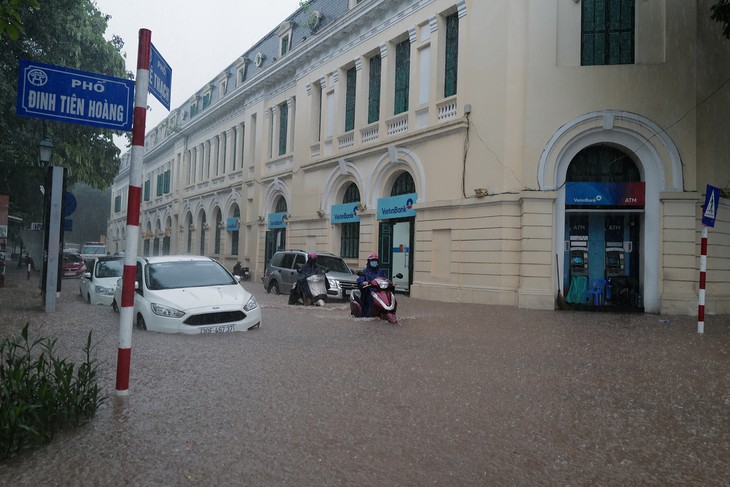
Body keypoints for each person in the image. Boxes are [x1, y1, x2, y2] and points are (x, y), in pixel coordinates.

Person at [357, 252, 387, 317]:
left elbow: (385, 279)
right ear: (369, 261)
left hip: (380, 293)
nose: (374, 262)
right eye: (372, 260)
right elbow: (360, 281)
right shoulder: (365, 271)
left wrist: (391, 282)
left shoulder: (381, 271)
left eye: (375, 260)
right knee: (369, 302)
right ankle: (367, 315)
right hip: (369, 293)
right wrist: (363, 283)